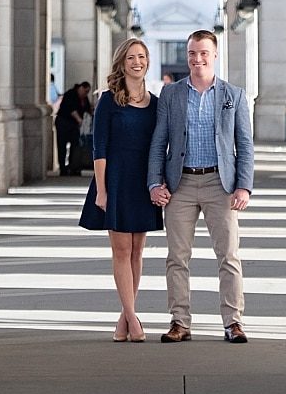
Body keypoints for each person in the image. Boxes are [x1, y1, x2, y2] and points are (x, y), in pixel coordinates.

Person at [147, 29, 255, 343]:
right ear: (187, 55)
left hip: (219, 185)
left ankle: (233, 322)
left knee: (229, 256)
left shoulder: (232, 95)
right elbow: (159, 142)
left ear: (215, 55)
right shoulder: (172, 94)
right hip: (180, 184)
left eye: (204, 53)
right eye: (193, 53)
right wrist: (155, 182)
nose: (197, 59)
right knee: (177, 257)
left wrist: (244, 186)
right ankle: (180, 322)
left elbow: (244, 145)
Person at [79, 41, 163, 340]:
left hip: (142, 182)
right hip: (114, 180)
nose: (137, 62)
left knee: (138, 250)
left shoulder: (155, 103)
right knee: (121, 249)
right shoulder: (108, 101)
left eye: (141, 57)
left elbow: (159, 146)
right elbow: (98, 148)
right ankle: (133, 319)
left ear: (148, 62)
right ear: (122, 63)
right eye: (131, 57)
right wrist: (101, 190)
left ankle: (124, 318)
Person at [53, 80, 90, 174]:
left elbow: (88, 109)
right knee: (62, 146)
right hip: (63, 122)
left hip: (74, 125)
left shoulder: (84, 98)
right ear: (81, 88)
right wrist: (79, 120)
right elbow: (72, 110)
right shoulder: (70, 94)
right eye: (85, 91)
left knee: (75, 145)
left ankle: (73, 166)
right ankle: (63, 169)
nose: (86, 94)